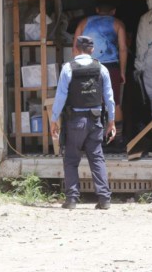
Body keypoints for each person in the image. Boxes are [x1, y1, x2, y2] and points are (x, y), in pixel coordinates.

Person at [50, 35, 116, 210]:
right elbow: (109, 98)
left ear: (75, 48)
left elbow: (60, 97)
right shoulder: (102, 69)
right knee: (97, 159)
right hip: (95, 121)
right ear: (92, 50)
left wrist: (54, 119)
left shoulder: (67, 69)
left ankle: (72, 200)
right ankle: (104, 199)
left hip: (75, 122)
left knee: (71, 159)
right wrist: (112, 121)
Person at [74, 3, 127, 144]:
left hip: (89, 66)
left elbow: (75, 48)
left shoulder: (84, 22)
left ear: (97, 10)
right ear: (113, 10)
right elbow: (123, 49)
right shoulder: (117, 23)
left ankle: (91, 139)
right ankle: (118, 139)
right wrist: (122, 71)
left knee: (90, 103)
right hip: (111, 67)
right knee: (115, 103)